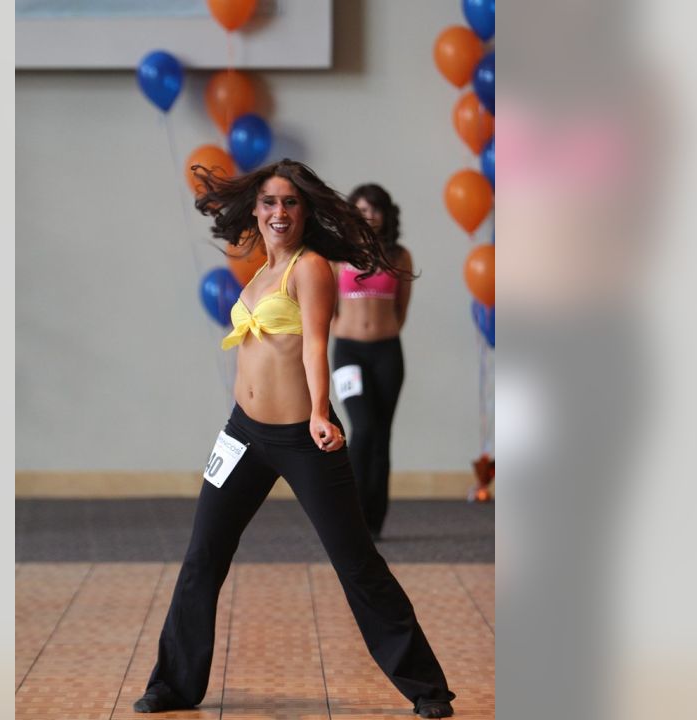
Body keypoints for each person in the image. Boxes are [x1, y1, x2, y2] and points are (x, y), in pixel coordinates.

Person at [133, 159, 456, 718]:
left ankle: (427, 687)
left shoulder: (310, 269)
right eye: (269, 203)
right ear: (254, 212)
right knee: (202, 555)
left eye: (290, 202)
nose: (278, 212)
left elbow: (313, 345)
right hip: (242, 434)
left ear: (305, 212)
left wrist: (320, 412)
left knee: (356, 562)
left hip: (302, 436)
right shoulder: (258, 271)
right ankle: (172, 684)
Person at [332, 183, 413, 540]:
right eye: (362, 209)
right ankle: (350, 514)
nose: (369, 216)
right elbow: (325, 309)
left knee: (382, 437)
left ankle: (375, 522)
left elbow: (402, 309)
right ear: (352, 213)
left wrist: (383, 332)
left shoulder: (399, 256)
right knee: (362, 430)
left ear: (386, 214)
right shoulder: (337, 255)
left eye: (376, 209)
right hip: (348, 353)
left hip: (387, 354)